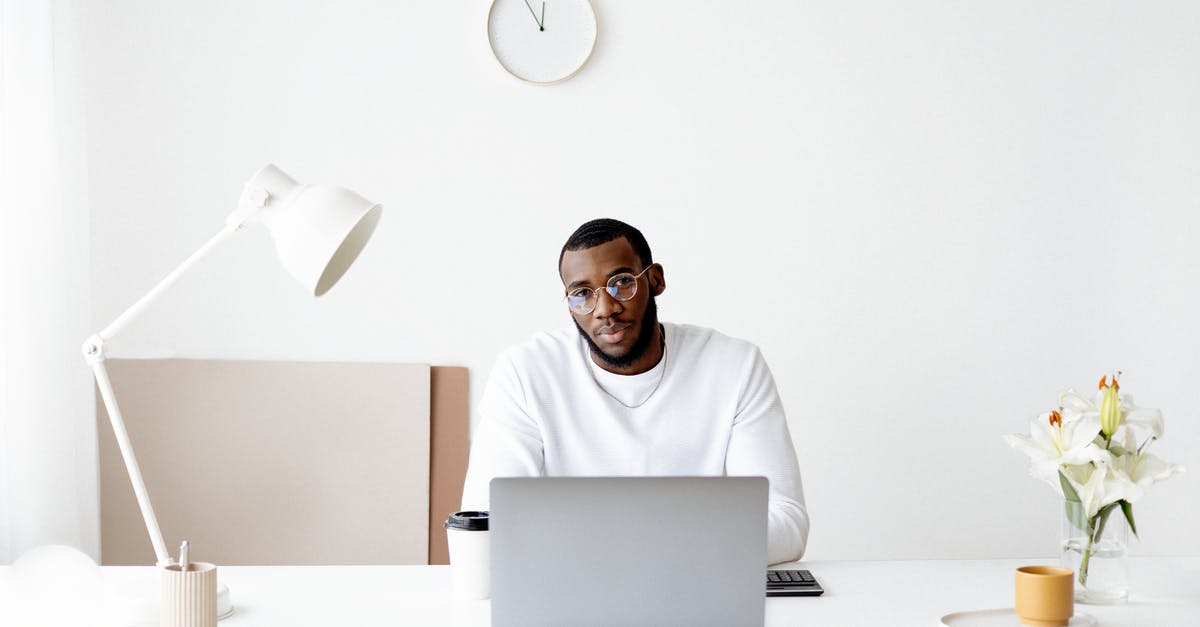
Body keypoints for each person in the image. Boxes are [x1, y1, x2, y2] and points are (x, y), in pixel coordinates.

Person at [461, 218, 809, 564]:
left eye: (621, 283)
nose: (605, 309)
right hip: (581, 591)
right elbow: (484, 525)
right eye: (583, 294)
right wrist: (678, 544)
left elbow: (786, 521)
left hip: (692, 591)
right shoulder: (525, 372)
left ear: (655, 280)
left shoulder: (734, 365)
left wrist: (633, 550)